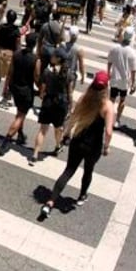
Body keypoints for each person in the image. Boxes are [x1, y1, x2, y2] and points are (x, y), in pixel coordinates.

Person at [39, 71, 114, 218]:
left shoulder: (84, 98)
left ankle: (50, 202)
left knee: (69, 170)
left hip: (78, 140)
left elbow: (73, 118)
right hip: (94, 145)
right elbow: (109, 131)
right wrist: (106, 147)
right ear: (106, 88)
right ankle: (82, 196)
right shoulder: (107, 106)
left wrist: (66, 135)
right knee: (88, 170)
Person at [0, 33, 38, 155]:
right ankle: (6, 141)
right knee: (20, 115)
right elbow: (36, 77)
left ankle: (20, 134)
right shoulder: (35, 59)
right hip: (26, 90)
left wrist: (5, 88)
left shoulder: (17, 54)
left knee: (20, 111)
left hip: (14, 87)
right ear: (35, 44)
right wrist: (42, 89)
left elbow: (10, 72)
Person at [29, 47, 71, 166]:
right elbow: (69, 92)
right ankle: (57, 146)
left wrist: (43, 94)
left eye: (53, 56)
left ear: (57, 59)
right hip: (61, 103)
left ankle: (35, 154)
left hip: (48, 101)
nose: (51, 57)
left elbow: (42, 89)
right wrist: (70, 106)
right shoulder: (68, 73)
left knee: (43, 130)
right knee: (58, 128)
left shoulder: (48, 71)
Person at [59, 26, 87, 145]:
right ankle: (68, 110)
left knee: (62, 91)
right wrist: (83, 76)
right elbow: (81, 65)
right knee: (69, 93)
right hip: (71, 75)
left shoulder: (63, 45)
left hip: (62, 72)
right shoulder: (79, 49)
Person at [107, 28, 136, 129]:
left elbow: (109, 62)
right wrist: (133, 83)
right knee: (122, 100)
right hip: (124, 81)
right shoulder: (132, 53)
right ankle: (117, 120)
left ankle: (109, 117)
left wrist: (108, 73)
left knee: (111, 99)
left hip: (114, 78)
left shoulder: (114, 48)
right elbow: (133, 70)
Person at [0, 9, 21, 106]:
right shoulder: (16, 31)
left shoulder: (0, 28)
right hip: (10, 55)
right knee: (9, 79)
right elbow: (18, 45)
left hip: (0, 52)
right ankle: (5, 98)